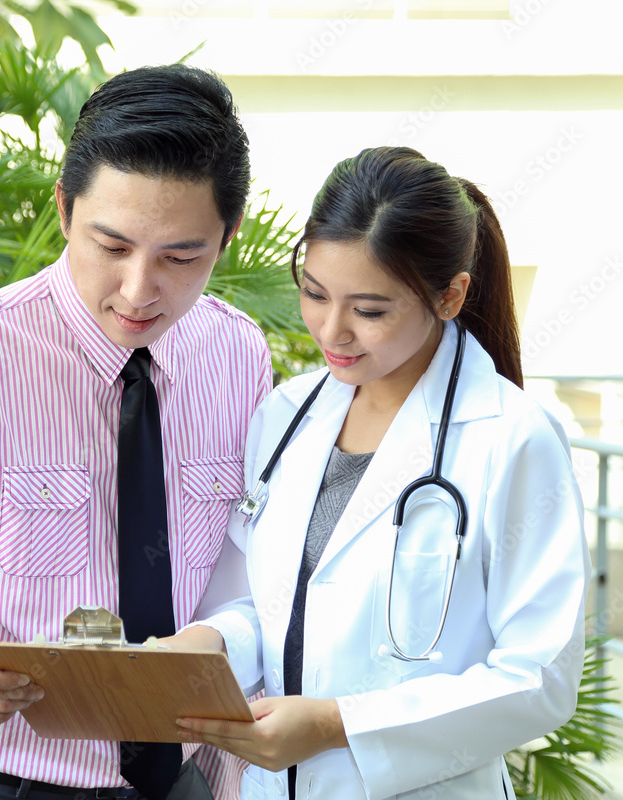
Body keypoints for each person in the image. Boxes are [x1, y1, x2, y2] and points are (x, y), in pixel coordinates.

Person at [0, 63, 272, 800]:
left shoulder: (240, 354)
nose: (138, 290)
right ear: (65, 209)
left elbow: (244, 571)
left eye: (180, 258)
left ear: (226, 237)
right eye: (112, 246)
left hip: (187, 778)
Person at [169, 146, 592, 799]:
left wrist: (341, 725)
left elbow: (538, 677)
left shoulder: (513, 438)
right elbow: (273, 601)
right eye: (313, 293)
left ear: (450, 296)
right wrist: (210, 643)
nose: (331, 331)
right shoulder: (285, 416)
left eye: (368, 310)